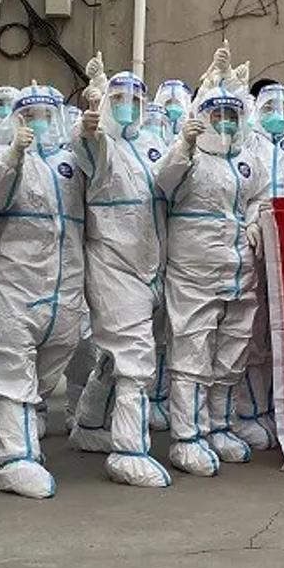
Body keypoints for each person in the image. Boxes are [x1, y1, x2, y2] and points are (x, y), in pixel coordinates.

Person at [0, 84, 91, 498]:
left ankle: (2, 436)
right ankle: (17, 459)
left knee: (51, 362)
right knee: (13, 370)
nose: (39, 123)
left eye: (47, 114)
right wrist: (13, 155)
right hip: (16, 283)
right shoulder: (1, 156)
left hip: (64, 285)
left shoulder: (70, 162)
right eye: (30, 116)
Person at [64, 72, 173, 487]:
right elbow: (89, 149)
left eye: (135, 99)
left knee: (113, 356)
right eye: (120, 98)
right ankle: (129, 451)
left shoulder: (149, 144)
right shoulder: (104, 141)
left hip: (146, 266)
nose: (128, 105)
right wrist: (89, 127)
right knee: (134, 359)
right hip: (112, 263)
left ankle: (90, 424)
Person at [155, 90, 269, 477]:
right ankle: (187, 438)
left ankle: (220, 427)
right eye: (217, 114)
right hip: (195, 272)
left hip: (239, 270)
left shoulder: (246, 160)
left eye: (232, 115)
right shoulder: (190, 156)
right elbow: (163, 184)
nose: (225, 121)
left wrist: (253, 221)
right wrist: (184, 147)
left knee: (232, 352)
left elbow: (260, 194)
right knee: (192, 353)